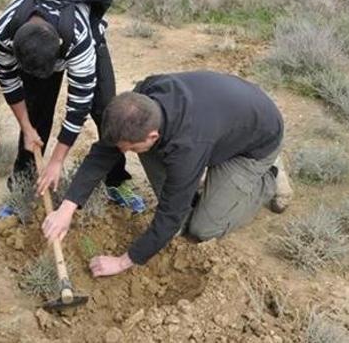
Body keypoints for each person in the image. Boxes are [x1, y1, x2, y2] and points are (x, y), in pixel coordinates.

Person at [41, 71, 293, 278]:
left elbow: (171, 216)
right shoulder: (143, 100)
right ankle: (202, 180)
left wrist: (122, 262)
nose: (124, 153)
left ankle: (270, 176)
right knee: (142, 153)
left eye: (128, 148)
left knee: (203, 228)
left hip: (254, 144)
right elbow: (105, 151)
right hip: (224, 121)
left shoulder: (187, 145)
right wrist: (67, 208)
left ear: (153, 135)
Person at [0, 0, 146, 215]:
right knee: (36, 109)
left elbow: (78, 105)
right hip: (40, 45)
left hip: (82, 31)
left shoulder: (78, 39)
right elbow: (9, 81)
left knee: (106, 111)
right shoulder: (4, 32)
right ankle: (24, 184)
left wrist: (57, 161)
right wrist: (27, 127)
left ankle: (116, 179)